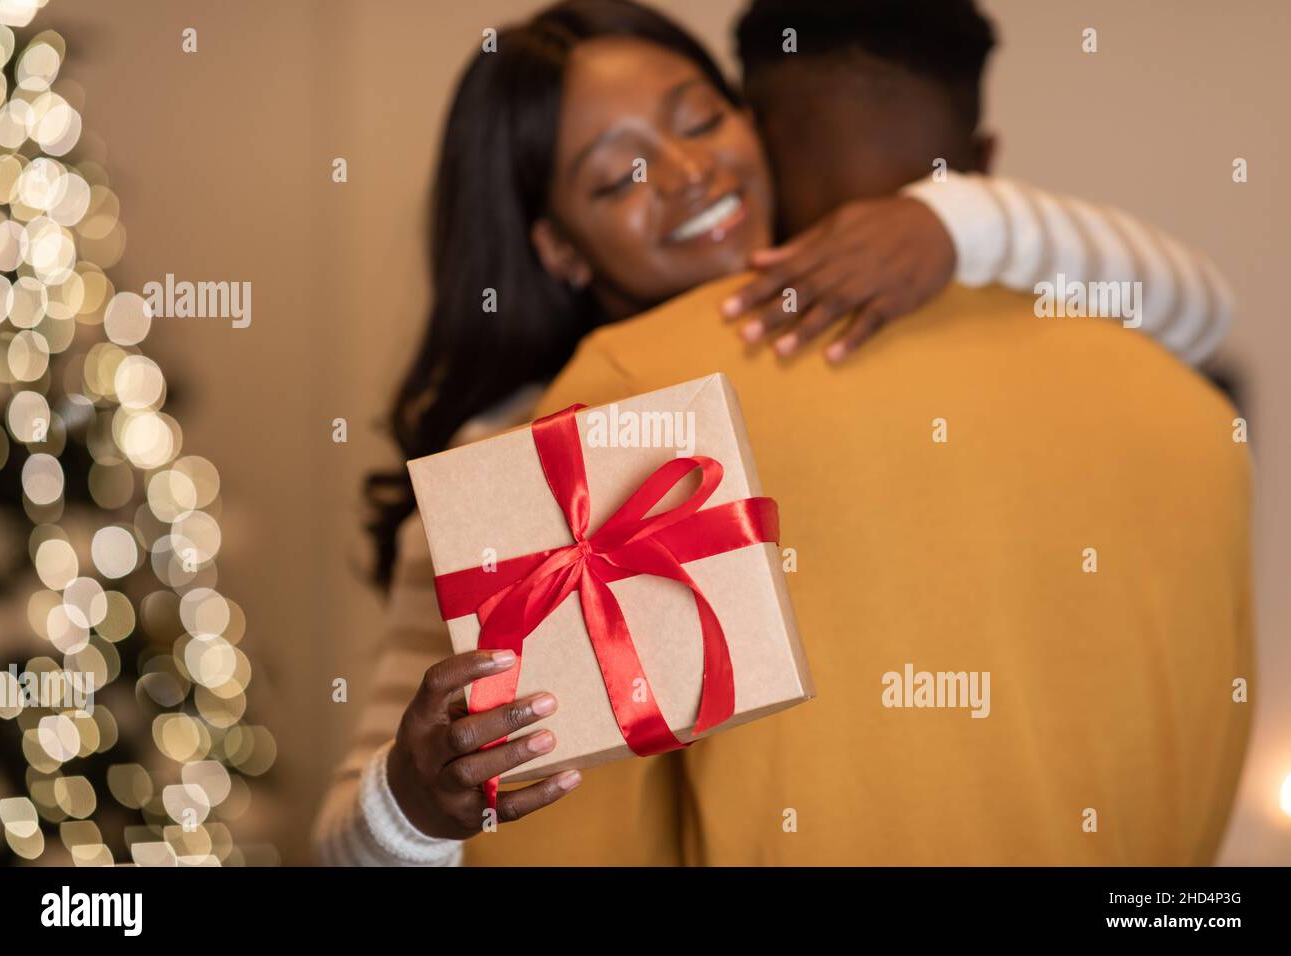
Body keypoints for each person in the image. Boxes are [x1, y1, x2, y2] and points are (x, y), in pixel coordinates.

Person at [313, 0, 1242, 866]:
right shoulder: (526, 459)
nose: (686, 176)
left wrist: (950, 222)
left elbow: (1197, 305)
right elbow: (344, 842)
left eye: (699, 120)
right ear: (554, 244)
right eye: (614, 175)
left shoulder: (867, 328)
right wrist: (413, 806)